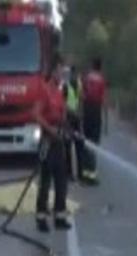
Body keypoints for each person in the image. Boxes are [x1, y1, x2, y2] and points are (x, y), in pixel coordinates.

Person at [33, 60, 71, 233]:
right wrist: (50, 129)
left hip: (59, 142)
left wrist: (67, 128)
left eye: (64, 72)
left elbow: (62, 114)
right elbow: (36, 114)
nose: (62, 74)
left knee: (61, 180)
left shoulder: (59, 91)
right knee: (46, 181)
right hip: (47, 141)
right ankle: (41, 218)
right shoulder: (45, 90)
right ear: (53, 71)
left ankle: (60, 217)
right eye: (60, 71)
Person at [81, 57, 107, 186]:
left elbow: (82, 95)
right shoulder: (101, 80)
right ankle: (91, 174)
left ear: (92, 66)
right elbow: (103, 100)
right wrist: (105, 121)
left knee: (86, 142)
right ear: (100, 67)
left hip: (87, 110)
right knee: (94, 144)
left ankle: (84, 173)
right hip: (96, 111)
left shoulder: (87, 78)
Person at [62, 65, 84, 182]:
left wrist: (79, 115)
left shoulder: (78, 85)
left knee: (78, 146)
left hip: (75, 119)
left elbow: (80, 100)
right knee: (68, 146)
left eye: (74, 74)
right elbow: (64, 103)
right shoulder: (67, 86)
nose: (74, 77)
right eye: (72, 74)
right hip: (70, 119)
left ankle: (79, 173)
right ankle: (70, 173)